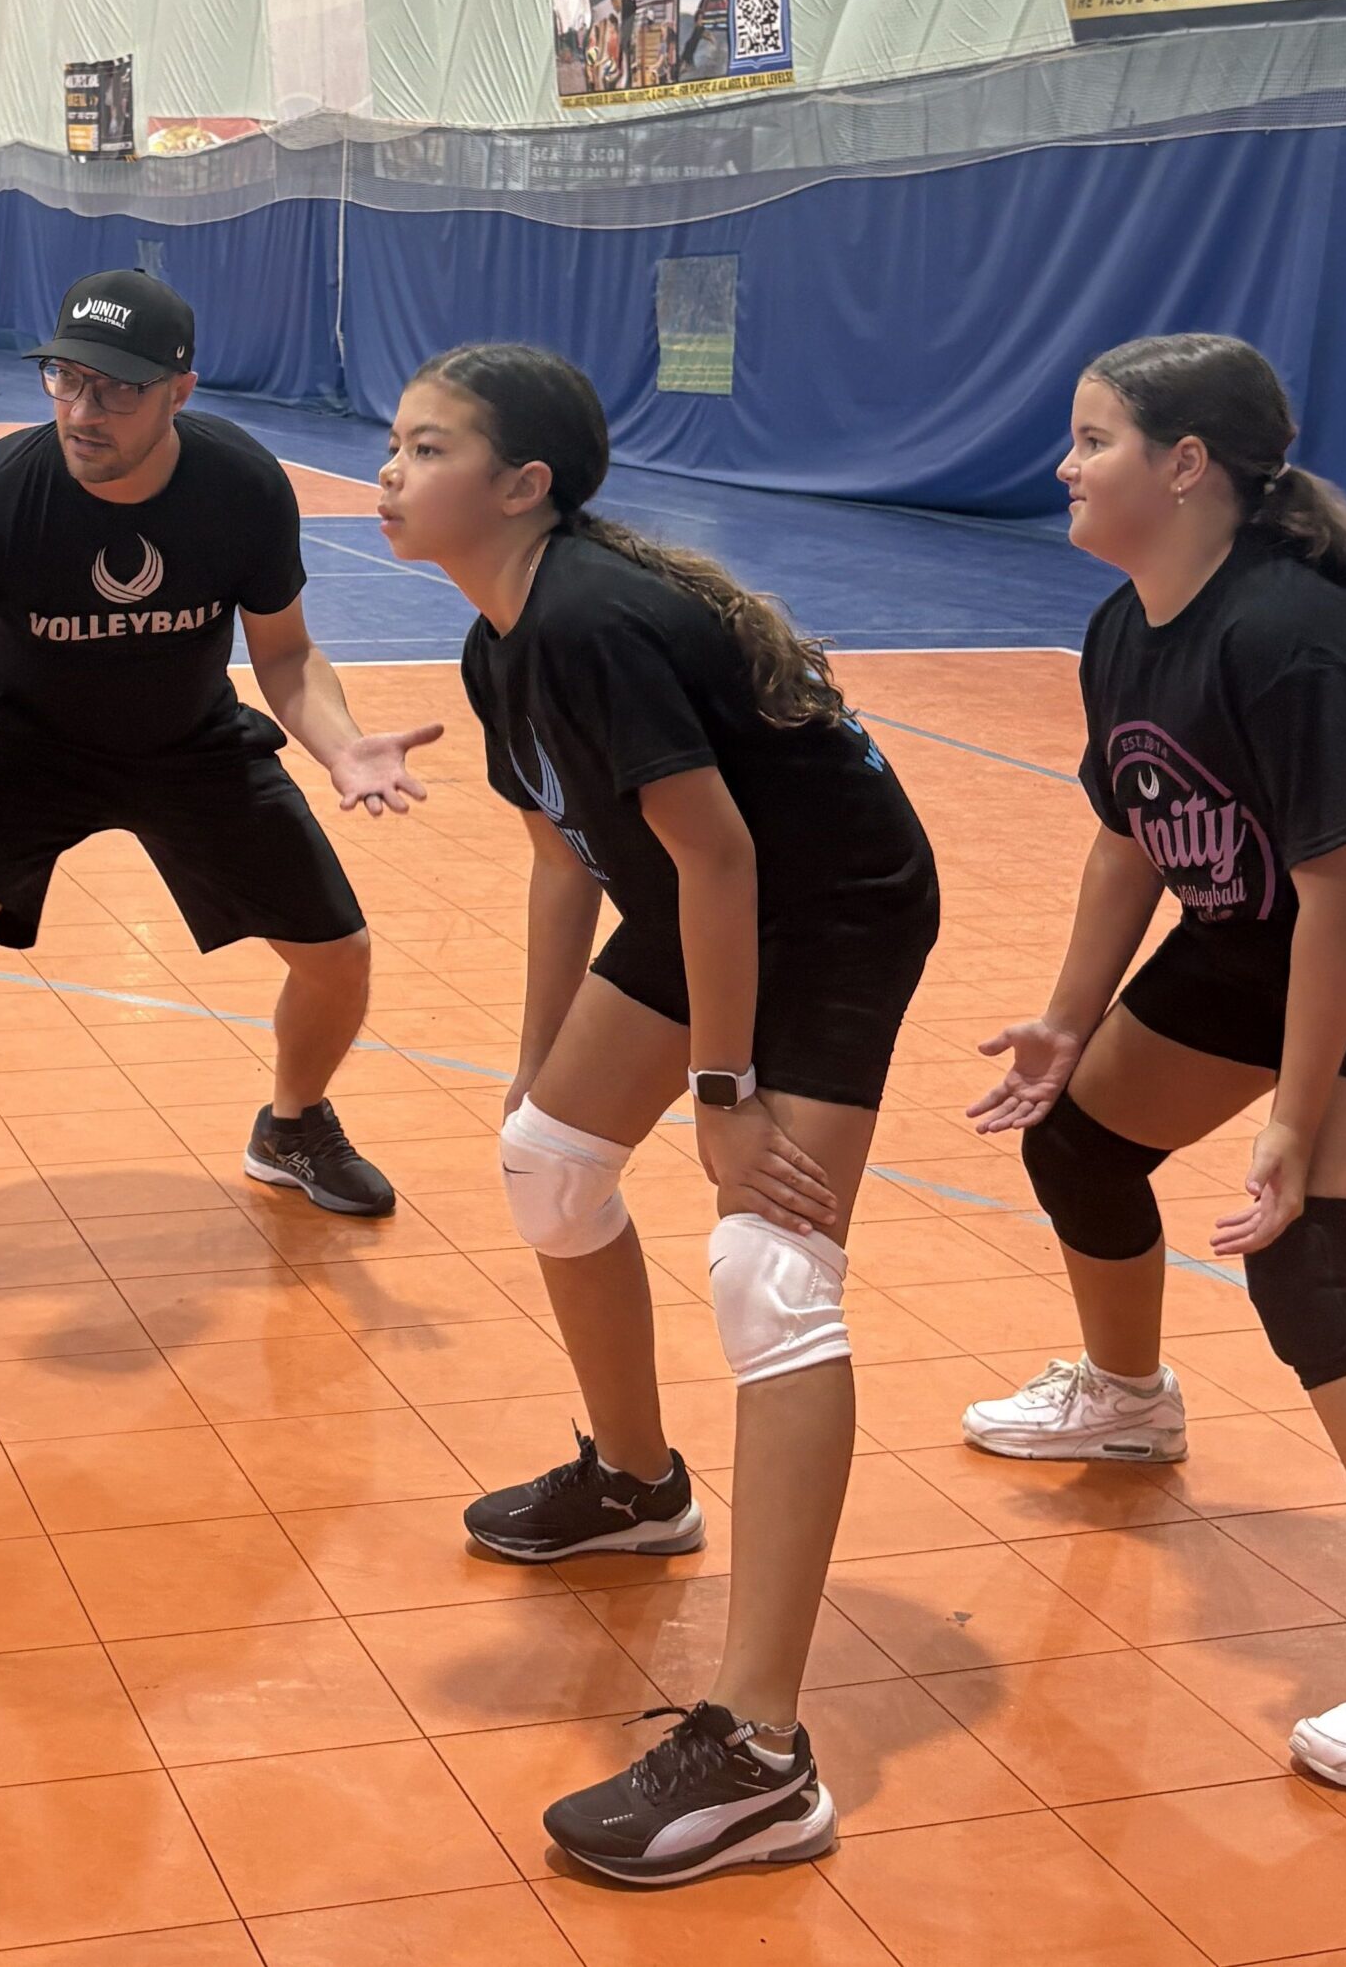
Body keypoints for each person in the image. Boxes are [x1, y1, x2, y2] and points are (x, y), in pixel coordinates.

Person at [380, 344, 940, 1886]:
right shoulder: (503, 642)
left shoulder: (592, 619)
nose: (390, 473)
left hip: (831, 913)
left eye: (427, 448)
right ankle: (636, 1485)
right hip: (712, 902)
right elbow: (570, 857)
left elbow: (724, 859)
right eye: (395, 444)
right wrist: (540, 1052)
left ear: (523, 486)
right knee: (550, 1165)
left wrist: (723, 1095)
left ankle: (762, 1757)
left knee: (771, 1276)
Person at [965, 332, 1346, 1796]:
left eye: (1092, 439)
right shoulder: (1129, 624)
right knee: (1078, 1135)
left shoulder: (1292, 637)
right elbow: (1129, 834)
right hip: (1263, 924)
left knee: (1317, 1260)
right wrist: (1067, 1021)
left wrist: (1292, 1124)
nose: (1063, 466)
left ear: (1186, 466)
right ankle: (1127, 1398)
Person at [0, 269, 435, 1315]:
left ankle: (292, 1127)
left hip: (188, 741)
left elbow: (286, 657)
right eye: (66, 380)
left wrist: (341, 747)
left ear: (179, 392)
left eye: (116, 389)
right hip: (25, 748)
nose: (83, 411)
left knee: (338, 957)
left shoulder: (241, 486)